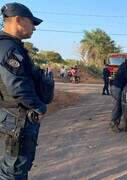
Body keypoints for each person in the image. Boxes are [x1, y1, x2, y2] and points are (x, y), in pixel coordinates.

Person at [0, 2, 52, 179]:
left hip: (12, 114)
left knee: (13, 165)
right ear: (18, 20)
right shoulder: (8, 48)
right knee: (14, 169)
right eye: (32, 23)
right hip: (16, 116)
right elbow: (17, 86)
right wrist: (39, 107)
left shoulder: (11, 45)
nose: (34, 29)